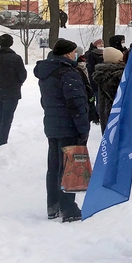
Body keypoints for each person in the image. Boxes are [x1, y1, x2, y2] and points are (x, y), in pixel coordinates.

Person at [34, 38, 90, 222]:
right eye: (74, 52)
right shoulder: (69, 73)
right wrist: (83, 128)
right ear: (67, 53)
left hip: (52, 124)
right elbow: (76, 103)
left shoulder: (47, 72)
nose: (76, 55)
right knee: (70, 167)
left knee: (54, 166)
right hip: (69, 126)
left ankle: (53, 205)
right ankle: (69, 208)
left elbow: (46, 101)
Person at [0, 33, 27, 147]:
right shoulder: (16, 58)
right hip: (12, 92)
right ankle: (2, 142)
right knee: (7, 117)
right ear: (11, 44)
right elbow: (22, 75)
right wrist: (18, 82)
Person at [93, 47, 125, 133]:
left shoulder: (103, 73)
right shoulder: (115, 76)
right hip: (115, 118)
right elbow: (121, 97)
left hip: (107, 117)